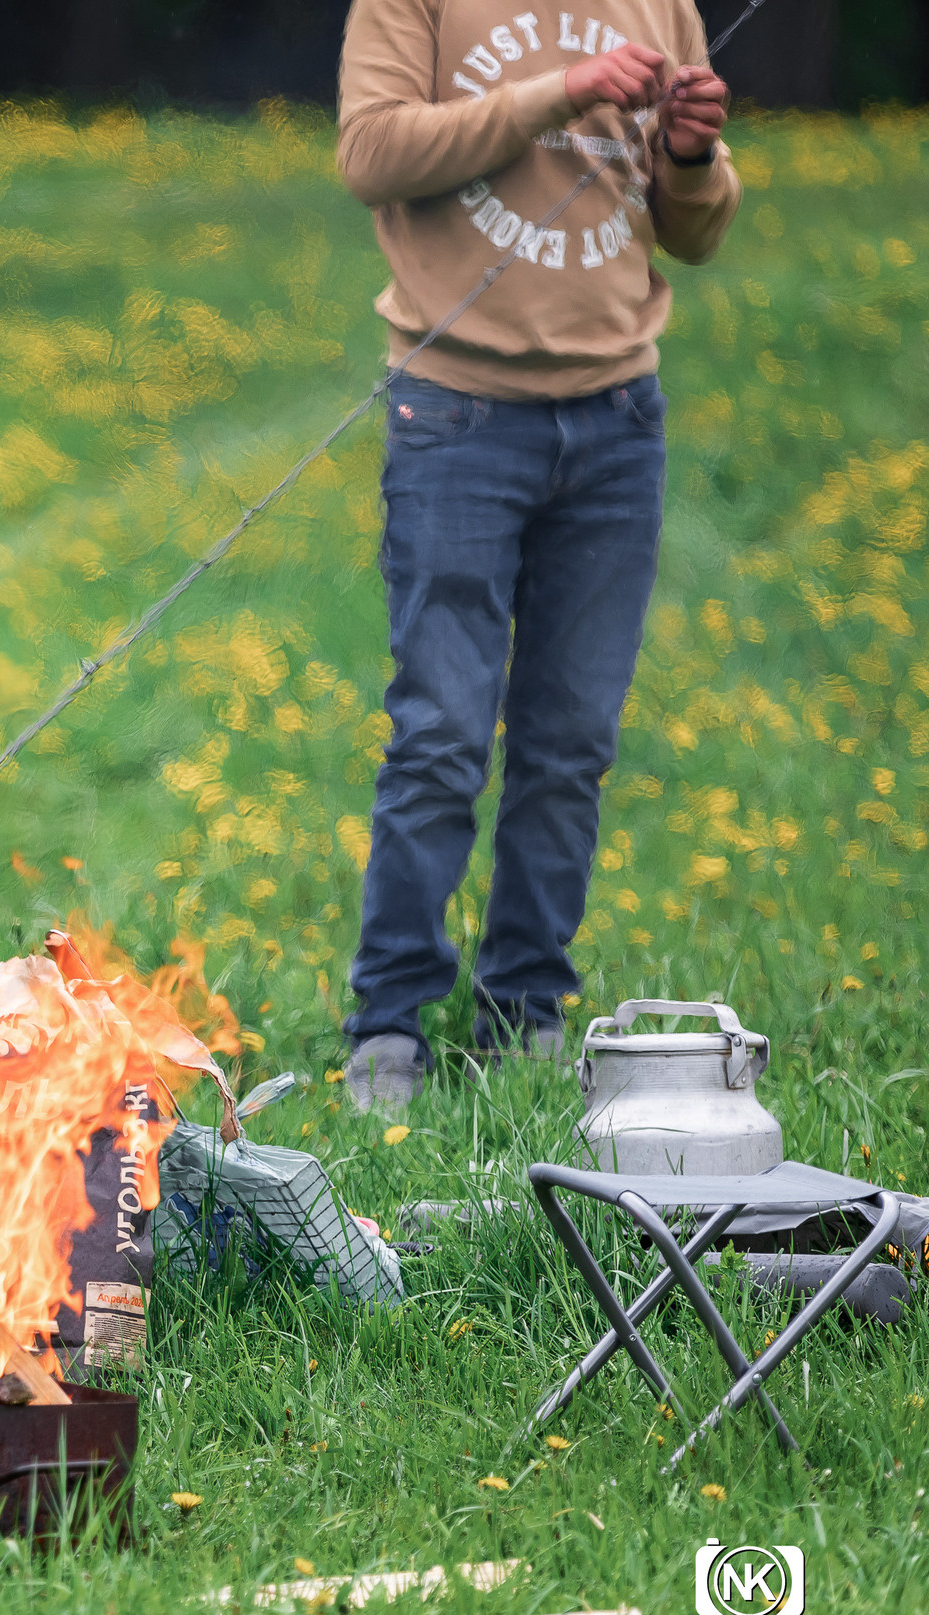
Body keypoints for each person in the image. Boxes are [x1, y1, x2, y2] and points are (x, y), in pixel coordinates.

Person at [336, 1, 740, 1112]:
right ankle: (389, 1024)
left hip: (617, 422)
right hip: (456, 416)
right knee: (440, 737)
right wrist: (560, 92)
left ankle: (523, 1015)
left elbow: (693, 232)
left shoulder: (664, 6)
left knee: (568, 745)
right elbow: (370, 155)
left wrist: (692, 154)